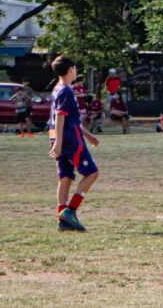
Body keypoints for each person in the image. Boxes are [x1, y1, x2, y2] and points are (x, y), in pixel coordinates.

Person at [47, 56, 101, 232]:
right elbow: (60, 116)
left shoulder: (56, 89)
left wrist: (89, 135)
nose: (76, 71)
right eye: (75, 68)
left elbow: (71, 119)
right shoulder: (67, 91)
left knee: (66, 177)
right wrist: (60, 143)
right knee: (92, 173)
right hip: (69, 140)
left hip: (58, 137)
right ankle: (70, 211)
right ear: (70, 70)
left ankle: (62, 220)